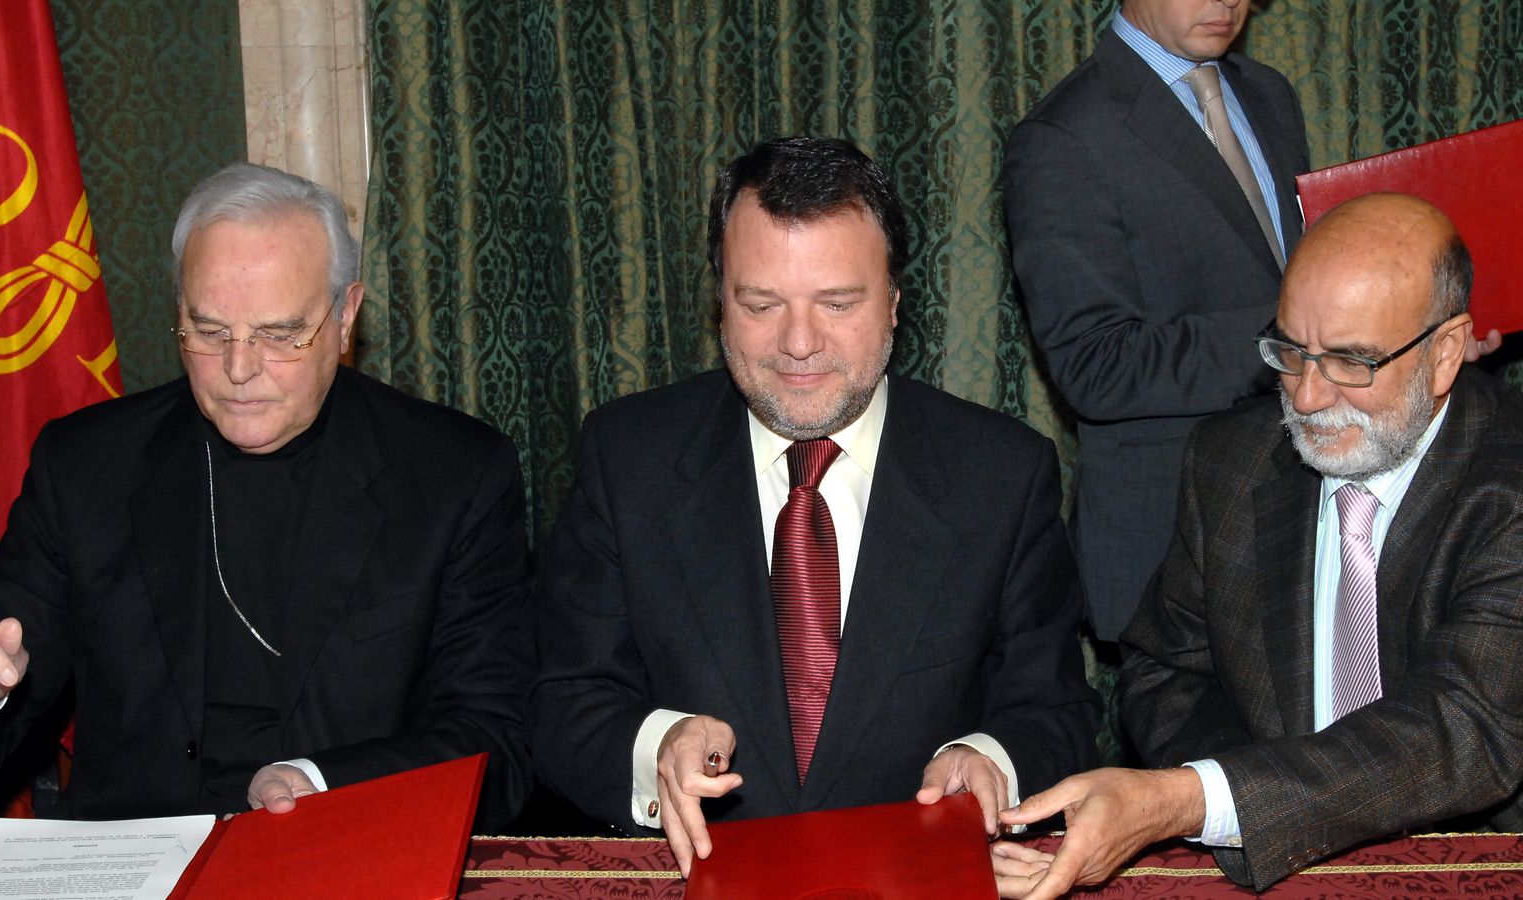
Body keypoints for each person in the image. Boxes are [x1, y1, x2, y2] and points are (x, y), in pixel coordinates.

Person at [530, 137, 1098, 886]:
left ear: (894, 302)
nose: (798, 344)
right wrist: (656, 747)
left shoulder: (1001, 474)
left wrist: (986, 758)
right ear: (719, 302)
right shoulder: (628, 456)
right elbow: (563, 700)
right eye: (761, 304)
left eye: (837, 303)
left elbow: (1056, 710)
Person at [0, 163, 533, 831]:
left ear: (345, 316)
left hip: (350, 845)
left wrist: (320, 781)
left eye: (279, 333)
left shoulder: (454, 474)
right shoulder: (86, 465)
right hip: (130, 857)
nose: (240, 370)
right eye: (209, 332)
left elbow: (493, 740)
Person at [1001, 193, 1523, 896]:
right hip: (1271, 866)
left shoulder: (1509, 482)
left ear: (1446, 352)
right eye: (1291, 351)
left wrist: (1196, 800)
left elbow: (1462, 727)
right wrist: (1258, 806)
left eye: (1351, 362)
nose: (1306, 398)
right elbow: (1166, 668)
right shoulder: (1230, 460)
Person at [1004, 0, 1312, 642]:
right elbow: (1097, 366)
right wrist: (1302, 334)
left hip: (1310, 516)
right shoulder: (1063, 136)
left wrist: (1401, 334)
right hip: (1173, 549)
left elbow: (1292, 269)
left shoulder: (1268, 92)